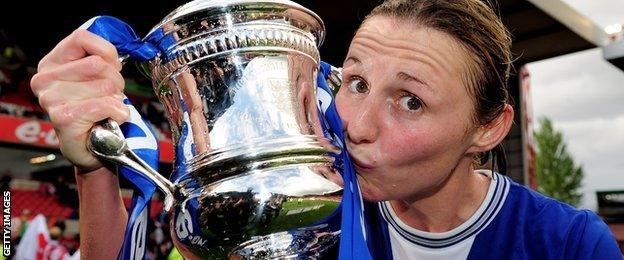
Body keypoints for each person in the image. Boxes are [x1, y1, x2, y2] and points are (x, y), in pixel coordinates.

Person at [30, 0, 621, 259]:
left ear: (489, 129)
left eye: (410, 101)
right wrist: (94, 166)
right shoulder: (299, 212)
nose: (354, 124)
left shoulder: (566, 245)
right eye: (356, 82)